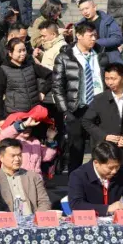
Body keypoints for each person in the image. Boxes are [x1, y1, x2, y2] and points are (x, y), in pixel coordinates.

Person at [51, 22, 107, 173]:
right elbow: (57, 86)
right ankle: (74, 182)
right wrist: (65, 111)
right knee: (76, 150)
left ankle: (98, 180)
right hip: (76, 109)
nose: (94, 39)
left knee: (100, 150)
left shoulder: (101, 55)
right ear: (79, 36)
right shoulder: (65, 57)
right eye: (90, 36)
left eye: (95, 35)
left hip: (98, 109)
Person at [67, 142, 123, 215]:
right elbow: (76, 204)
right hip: (89, 219)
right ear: (96, 163)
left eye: (117, 166)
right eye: (110, 168)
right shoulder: (78, 175)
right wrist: (107, 208)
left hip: (113, 218)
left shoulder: (122, 172)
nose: (114, 171)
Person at [0, 37, 52, 121]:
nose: (23, 53)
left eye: (24, 50)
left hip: (34, 113)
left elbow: (51, 75)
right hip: (15, 115)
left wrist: (43, 91)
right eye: (19, 51)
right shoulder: (3, 70)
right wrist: (0, 118)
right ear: (10, 53)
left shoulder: (31, 65)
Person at [0, 138, 50, 217]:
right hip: (6, 221)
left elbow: (44, 202)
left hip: (32, 220)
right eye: (13, 156)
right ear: (1, 157)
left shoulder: (33, 177)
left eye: (19, 155)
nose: (17, 159)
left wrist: (37, 218)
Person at [77, 0, 123, 65]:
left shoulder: (108, 20)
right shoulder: (80, 24)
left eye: (87, 8)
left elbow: (117, 38)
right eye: (82, 10)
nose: (85, 12)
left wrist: (96, 42)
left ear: (94, 7)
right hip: (89, 60)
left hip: (109, 58)